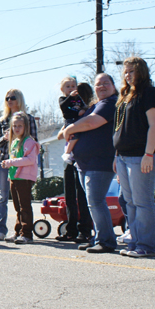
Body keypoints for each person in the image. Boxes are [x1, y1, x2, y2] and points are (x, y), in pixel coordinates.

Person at [113, 57, 155, 258]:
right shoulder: (125, 96)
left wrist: (148, 154)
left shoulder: (150, 93)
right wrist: (116, 155)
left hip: (142, 156)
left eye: (132, 71)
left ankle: (147, 245)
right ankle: (134, 241)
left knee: (143, 201)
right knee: (130, 201)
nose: (128, 75)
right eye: (126, 72)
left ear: (141, 72)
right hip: (123, 156)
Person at [64, 73, 119, 253]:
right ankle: (98, 238)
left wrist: (70, 129)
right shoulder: (96, 105)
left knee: (96, 201)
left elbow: (90, 123)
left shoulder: (111, 103)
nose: (101, 86)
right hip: (84, 163)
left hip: (99, 162)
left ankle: (107, 241)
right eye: (98, 84)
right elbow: (83, 120)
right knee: (91, 203)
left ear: (113, 86)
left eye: (106, 83)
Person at [0, 89, 37, 241]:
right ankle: (3, 230)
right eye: (7, 98)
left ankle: (26, 232)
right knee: (4, 198)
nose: (9, 100)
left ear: (19, 99)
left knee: (24, 202)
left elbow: (34, 143)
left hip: (23, 166)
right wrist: (5, 138)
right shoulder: (3, 119)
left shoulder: (28, 119)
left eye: (13, 98)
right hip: (6, 162)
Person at [56, 79, 95, 243]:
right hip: (69, 158)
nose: (73, 91)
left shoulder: (88, 111)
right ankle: (70, 229)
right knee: (70, 196)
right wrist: (68, 128)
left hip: (82, 157)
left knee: (83, 195)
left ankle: (85, 230)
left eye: (75, 89)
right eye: (69, 88)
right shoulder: (69, 112)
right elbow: (60, 135)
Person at [1, 112, 39, 244]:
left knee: (25, 207)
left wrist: (11, 162)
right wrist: (7, 163)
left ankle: (27, 234)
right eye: (14, 126)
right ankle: (18, 232)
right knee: (17, 207)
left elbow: (29, 160)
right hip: (14, 177)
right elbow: (14, 159)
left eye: (20, 126)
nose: (16, 129)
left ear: (26, 127)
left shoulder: (29, 142)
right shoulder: (14, 142)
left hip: (25, 178)